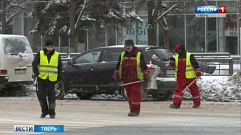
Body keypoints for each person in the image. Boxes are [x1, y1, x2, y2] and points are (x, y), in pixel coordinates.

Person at [114, 40, 149, 116]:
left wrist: (145, 74)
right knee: (129, 94)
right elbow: (118, 66)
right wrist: (117, 75)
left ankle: (135, 110)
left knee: (135, 93)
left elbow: (143, 66)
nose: (128, 47)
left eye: (129, 46)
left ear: (132, 46)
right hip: (126, 78)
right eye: (127, 46)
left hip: (136, 78)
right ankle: (131, 109)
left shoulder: (138, 54)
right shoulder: (122, 55)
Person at [32, 40, 62, 118]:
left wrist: (59, 77)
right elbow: (34, 64)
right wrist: (37, 74)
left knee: (51, 96)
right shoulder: (40, 54)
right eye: (48, 46)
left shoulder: (57, 55)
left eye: (51, 46)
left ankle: (52, 112)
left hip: (52, 78)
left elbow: (59, 67)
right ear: (45, 46)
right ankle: (44, 111)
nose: (50, 48)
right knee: (41, 95)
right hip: (42, 78)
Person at [169, 43, 201, 109]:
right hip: (180, 77)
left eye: (178, 51)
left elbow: (195, 64)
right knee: (178, 91)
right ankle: (176, 104)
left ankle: (197, 103)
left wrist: (198, 72)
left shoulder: (190, 56)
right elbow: (174, 66)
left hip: (189, 77)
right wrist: (172, 63)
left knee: (194, 90)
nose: (177, 52)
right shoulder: (176, 57)